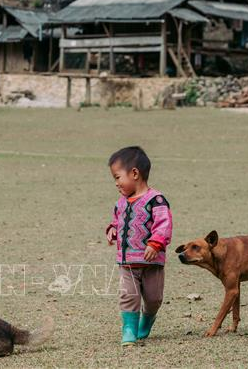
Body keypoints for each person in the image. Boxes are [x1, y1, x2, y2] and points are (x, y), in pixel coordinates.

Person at [105, 146, 173, 346]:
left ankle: (148, 318)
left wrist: (155, 243)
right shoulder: (121, 203)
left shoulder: (156, 200)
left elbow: (164, 225)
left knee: (153, 298)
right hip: (127, 262)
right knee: (128, 295)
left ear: (134, 173)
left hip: (152, 262)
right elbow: (117, 221)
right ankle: (128, 329)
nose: (116, 184)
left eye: (117, 177)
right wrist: (112, 230)